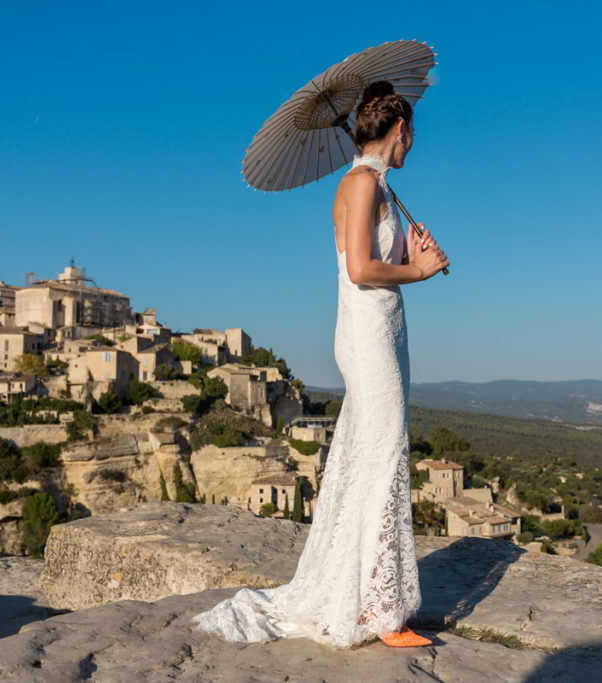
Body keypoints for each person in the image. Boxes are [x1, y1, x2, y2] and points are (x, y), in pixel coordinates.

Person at [191, 81, 449, 649]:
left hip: (384, 329)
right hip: (369, 334)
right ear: (400, 128)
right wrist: (421, 274)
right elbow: (360, 270)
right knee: (383, 459)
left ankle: (371, 597)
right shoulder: (360, 183)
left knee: (376, 454)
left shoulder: (376, 188)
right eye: (413, 136)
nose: (414, 147)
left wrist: (411, 252)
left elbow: (381, 262)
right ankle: (383, 613)